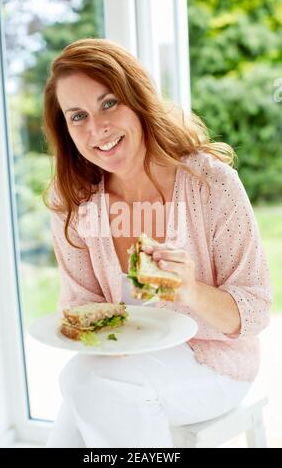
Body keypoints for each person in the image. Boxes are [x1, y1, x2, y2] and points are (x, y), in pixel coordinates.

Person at [43, 38, 272, 448]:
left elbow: (254, 313)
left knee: (86, 381)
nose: (97, 129)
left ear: (137, 98)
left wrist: (189, 289)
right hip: (116, 366)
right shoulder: (74, 202)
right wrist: (97, 331)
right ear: (65, 129)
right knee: (85, 388)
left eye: (109, 103)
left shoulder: (211, 183)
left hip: (213, 364)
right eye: (78, 116)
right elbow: (78, 306)